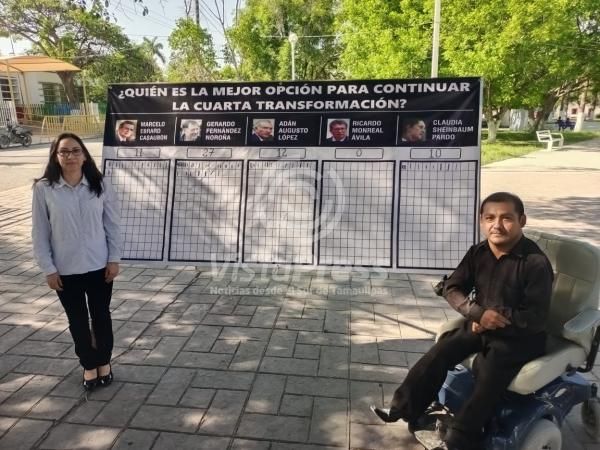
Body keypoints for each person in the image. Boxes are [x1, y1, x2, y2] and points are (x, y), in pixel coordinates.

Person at [371, 192, 553, 450]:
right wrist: (476, 313)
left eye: (506, 218)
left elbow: (535, 317)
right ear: (481, 221)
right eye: (489, 218)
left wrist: (490, 318)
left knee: (488, 370)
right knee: (441, 350)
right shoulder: (478, 252)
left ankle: (460, 440)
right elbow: (452, 287)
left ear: (521, 221)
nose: (497, 225)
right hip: (480, 324)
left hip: (521, 338)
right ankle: (404, 409)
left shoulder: (535, 263)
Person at [32, 133, 122, 392]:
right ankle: (88, 364)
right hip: (65, 269)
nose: (70, 156)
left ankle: (104, 361)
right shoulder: (44, 189)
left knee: (101, 316)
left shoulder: (100, 184)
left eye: (75, 150)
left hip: (99, 266)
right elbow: (39, 232)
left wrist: (114, 259)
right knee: (78, 320)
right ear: (55, 156)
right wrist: (48, 269)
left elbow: (112, 225)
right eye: (64, 152)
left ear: (84, 155)